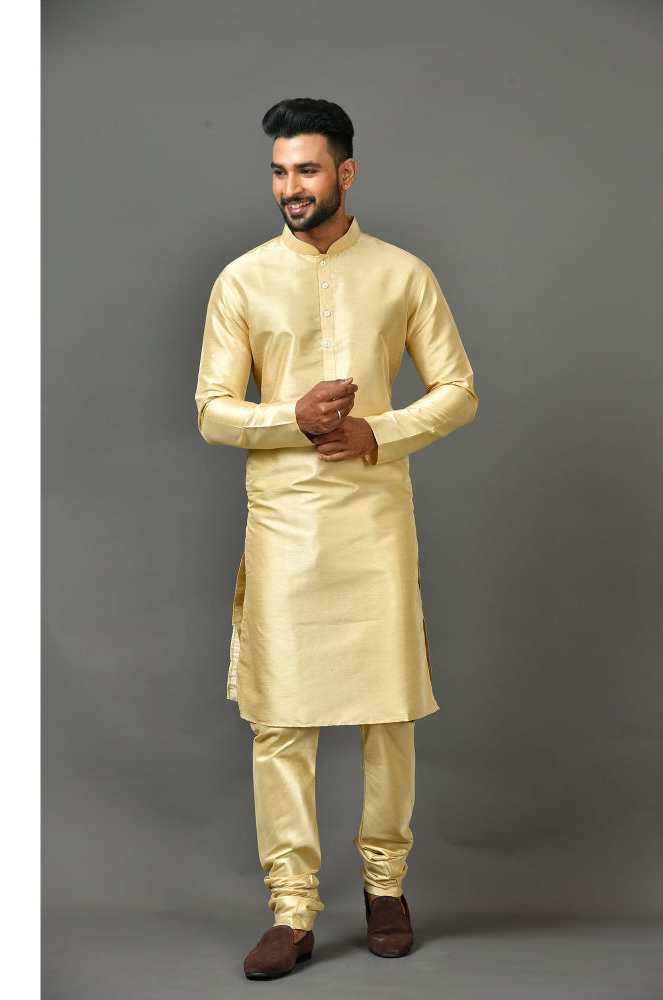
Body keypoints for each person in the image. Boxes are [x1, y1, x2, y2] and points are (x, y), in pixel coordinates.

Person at [195, 98, 478, 980]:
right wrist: (293, 418)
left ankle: (386, 888)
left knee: (388, 711)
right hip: (284, 522)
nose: (291, 187)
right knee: (281, 719)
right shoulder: (242, 281)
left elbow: (459, 390)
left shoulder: (402, 274)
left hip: (374, 519)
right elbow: (212, 410)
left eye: (308, 170)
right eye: (280, 172)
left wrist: (375, 432)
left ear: (346, 173)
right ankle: (291, 909)